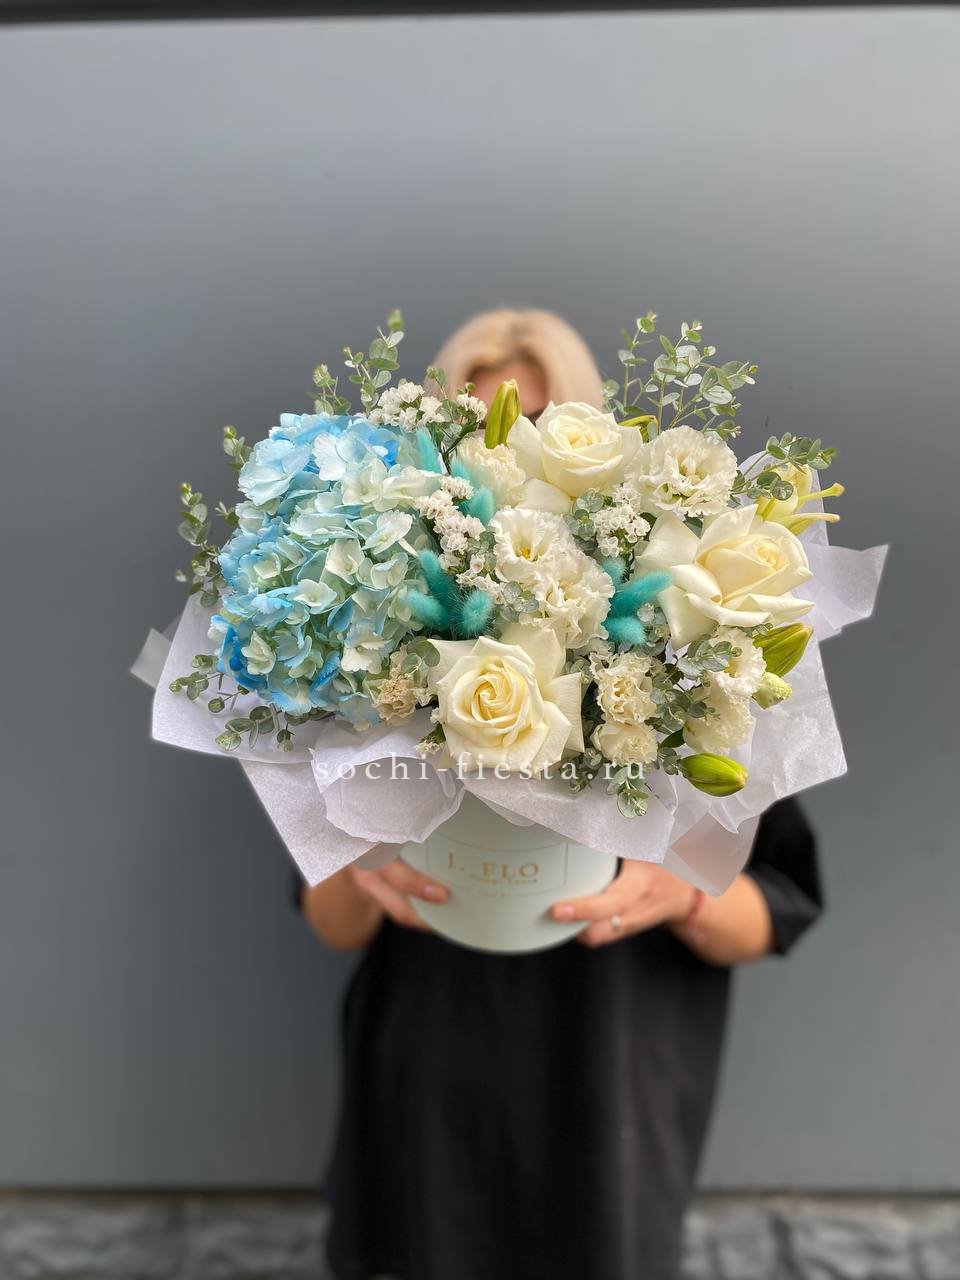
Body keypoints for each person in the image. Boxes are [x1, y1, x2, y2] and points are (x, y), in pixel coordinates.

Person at [300, 309, 823, 1280]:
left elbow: (778, 909)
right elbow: (331, 921)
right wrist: (363, 859)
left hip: (612, 1089)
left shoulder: (690, 668)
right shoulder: (378, 662)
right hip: (427, 1084)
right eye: (472, 433)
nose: (502, 457)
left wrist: (682, 890)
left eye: (533, 426)